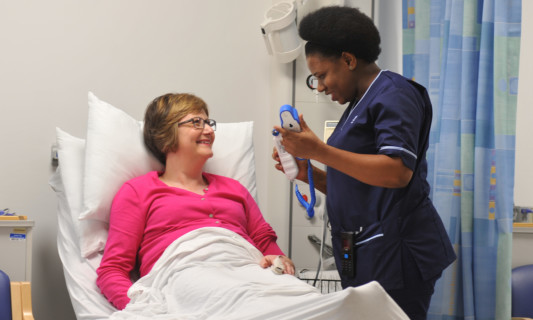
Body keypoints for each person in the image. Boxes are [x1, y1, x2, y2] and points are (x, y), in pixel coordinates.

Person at [272, 6, 456, 320]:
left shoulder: (394, 94)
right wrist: (308, 172)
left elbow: (397, 172)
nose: (320, 87)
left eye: (322, 75)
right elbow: (359, 185)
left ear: (348, 60)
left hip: (397, 251)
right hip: (366, 249)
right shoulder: (361, 103)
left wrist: (319, 150)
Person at [97, 93, 294, 310]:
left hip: (247, 269)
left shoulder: (234, 189)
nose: (209, 130)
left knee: (302, 297)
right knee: (242, 303)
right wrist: (139, 307)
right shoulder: (138, 191)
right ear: (165, 135)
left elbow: (263, 239)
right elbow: (112, 270)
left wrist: (280, 260)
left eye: (209, 123)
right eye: (196, 122)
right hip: (185, 273)